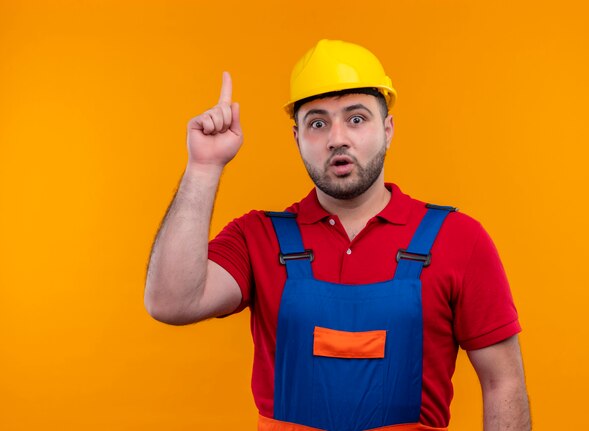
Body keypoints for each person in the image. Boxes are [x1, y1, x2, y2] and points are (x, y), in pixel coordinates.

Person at [145, 39, 530, 431]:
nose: (337, 138)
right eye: (317, 123)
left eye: (356, 118)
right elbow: (171, 302)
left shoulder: (458, 239)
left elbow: (503, 382)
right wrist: (204, 167)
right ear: (297, 138)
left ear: (388, 128)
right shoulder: (258, 237)